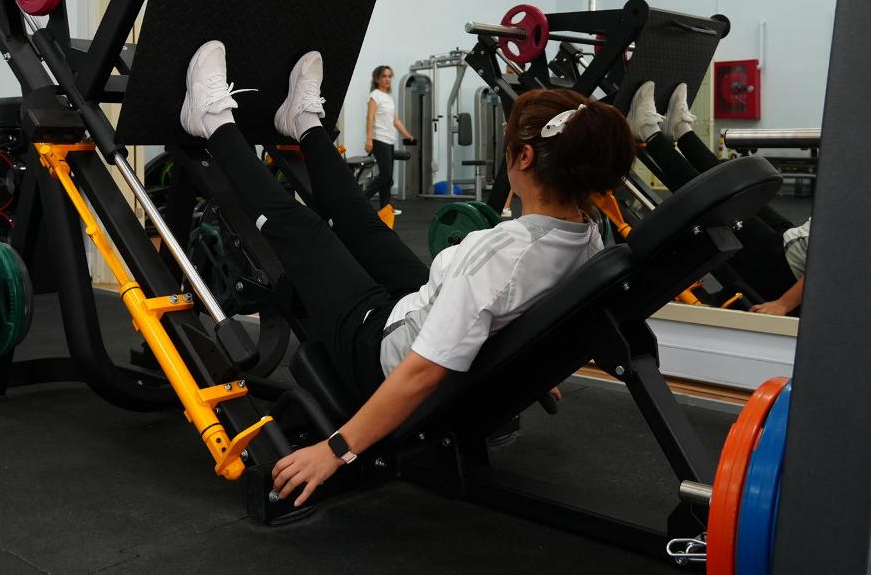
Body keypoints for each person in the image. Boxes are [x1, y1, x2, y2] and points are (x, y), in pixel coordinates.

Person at [179, 41, 635, 507]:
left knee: (302, 229)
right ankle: (304, 122)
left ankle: (211, 120)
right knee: (359, 220)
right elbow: (541, 313)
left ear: (524, 159)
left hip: (378, 352)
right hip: (423, 305)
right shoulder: (588, 239)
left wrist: (335, 450)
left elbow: (421, 373)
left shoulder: (501, 256)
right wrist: (520, 361)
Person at [626, 81, 810, 315]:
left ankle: (647, 133)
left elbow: (833, 262)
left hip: (784, 272)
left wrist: (783, 304)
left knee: (710, 199)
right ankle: (682, 132)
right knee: (736, 183)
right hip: (796, 240)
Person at [365, 66, 414, 212]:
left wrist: (407, 135)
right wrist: (369, 139)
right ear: (377, 79)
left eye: (389, 76)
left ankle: (385, 210)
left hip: (389, 140)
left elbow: (395, 120)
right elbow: (370, 117)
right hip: (379, 140)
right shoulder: (375, 96)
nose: (387, 79)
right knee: (385, 176)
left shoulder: (388, 97)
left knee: (388, 179)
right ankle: (360, 200)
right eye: (384, 76)